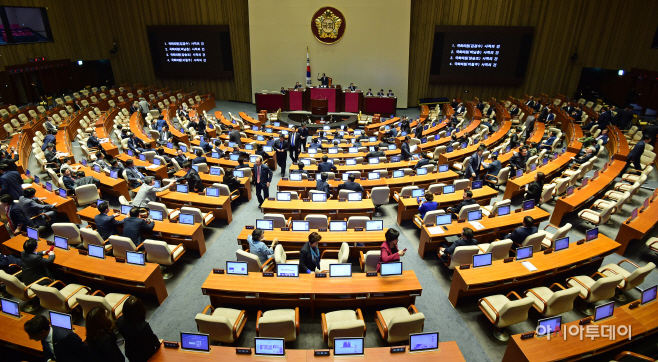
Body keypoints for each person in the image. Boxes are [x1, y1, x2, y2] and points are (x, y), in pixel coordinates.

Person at [24, 314, 93, 362]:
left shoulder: (67, 337)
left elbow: (85, 354)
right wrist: (49, 360)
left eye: (32, 335)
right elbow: (46, 351)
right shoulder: (43, 336)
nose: (30, 338)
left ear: (43, 332)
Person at [116, 296, 162, 362]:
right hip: (145, 355)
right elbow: (152, 339)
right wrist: (159, 344)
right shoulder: (143, 326)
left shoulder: (119, 320)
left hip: (130, 353)